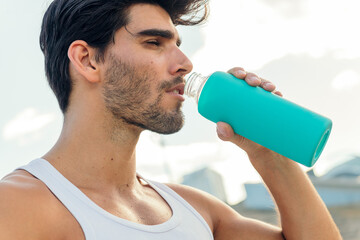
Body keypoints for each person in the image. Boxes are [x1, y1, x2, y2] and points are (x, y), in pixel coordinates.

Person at [0, 0, 341, 239]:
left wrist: (270, 154)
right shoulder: (16, 206)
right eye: (153, 42)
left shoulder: (197, 211)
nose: (184, 62)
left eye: (177, 43)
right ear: (88, 60)